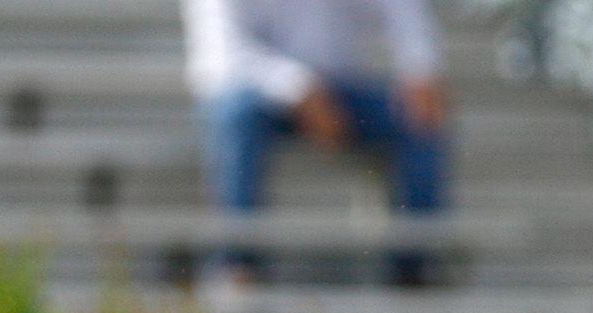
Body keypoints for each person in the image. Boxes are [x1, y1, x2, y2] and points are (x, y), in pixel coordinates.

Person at [183, 0, 451, 287]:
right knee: (236, 116)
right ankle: (237, 264)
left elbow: (401, 11)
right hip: (251, 93)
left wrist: (419, 71)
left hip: (337, 90)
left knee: (418, 121)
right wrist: (298, 87)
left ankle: (415, 270)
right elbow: (223, 52)